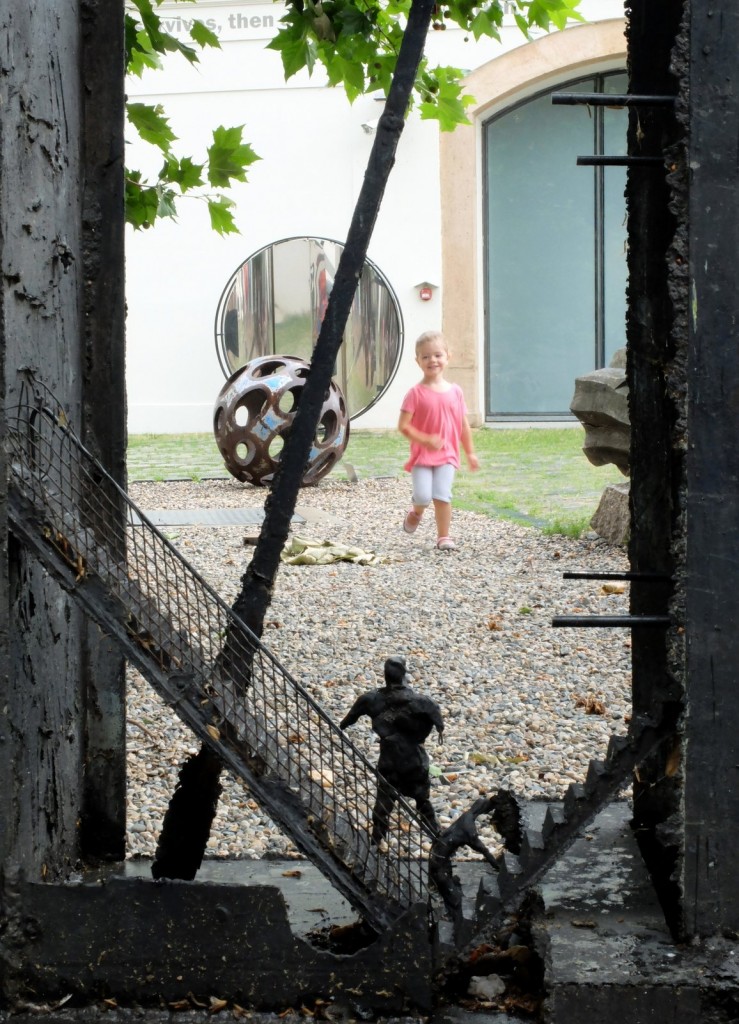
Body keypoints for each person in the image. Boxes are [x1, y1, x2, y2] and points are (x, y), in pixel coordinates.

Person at [340, 656, 444, 844]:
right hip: (414, 760)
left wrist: (342, 727)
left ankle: (376, 843)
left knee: (382, 807)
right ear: (404, 675)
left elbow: (347, 721)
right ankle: (439, 840)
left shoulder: (371, 700)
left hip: (390, 761)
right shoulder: (423, 702)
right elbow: (438, 724)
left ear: (385, 675)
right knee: (423, 803)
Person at [398, 330, 479, 551]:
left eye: (437, 355)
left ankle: (444, 537)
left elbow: (463, 425)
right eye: (425, 357)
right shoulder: (415, 393)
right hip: (422, 456)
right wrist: (424, 440)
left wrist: (470, 452)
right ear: (418, 361)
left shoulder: (456, 392)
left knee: (442, 495)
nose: (432, 360)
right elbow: (403, 426)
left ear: (447, 356)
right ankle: (416, 511)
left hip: (447, 455)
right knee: (424, 496)